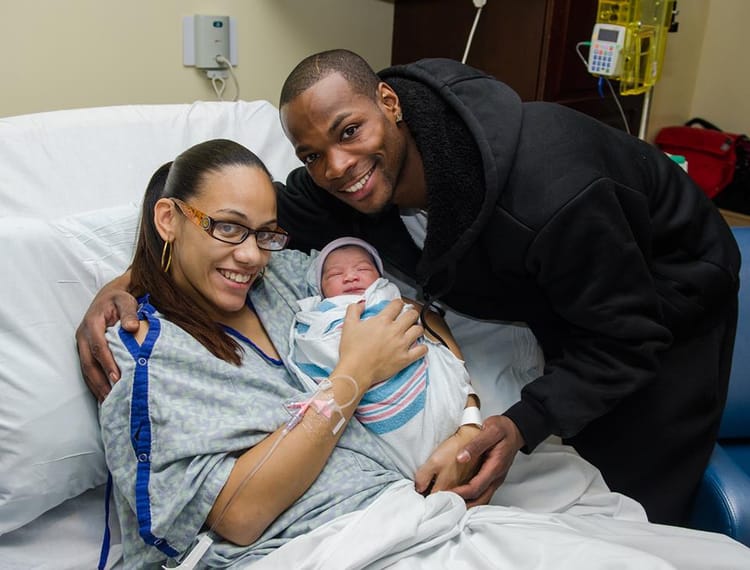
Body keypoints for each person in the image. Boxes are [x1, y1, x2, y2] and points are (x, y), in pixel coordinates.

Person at [77, 49, 740, 527]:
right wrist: (136, 273)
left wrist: (515, 423)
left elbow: (626, 339)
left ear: (388, 106)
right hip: (560, 292)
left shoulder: (548, 195)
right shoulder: (345, 183)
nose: (337, 168)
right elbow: (248, 222)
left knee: (638, 505)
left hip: (668, 299)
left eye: (349, 132)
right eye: (312, 155)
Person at [289, 236, 483, 483]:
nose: (350, 277)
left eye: (362, 269)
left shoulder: (391, 300)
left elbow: (429, 332)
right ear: (320, 289)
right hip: (364, 411)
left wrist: (470, 422)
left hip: (422, 388)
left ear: (381, 278)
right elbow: (314, 349)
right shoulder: (318, 318)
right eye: (334, 274)